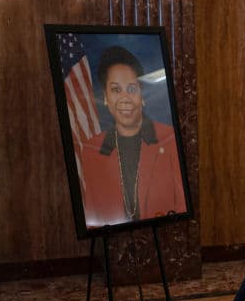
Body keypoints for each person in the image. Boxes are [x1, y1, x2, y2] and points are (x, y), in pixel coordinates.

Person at [78, 46, 187, 229]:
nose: (125, 98)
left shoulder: (169, 140)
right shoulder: (92, 150)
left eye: (131, 89)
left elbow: (181, 210)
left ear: (141, 95)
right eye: (116, 90)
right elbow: (94, 220)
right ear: (105, 97)